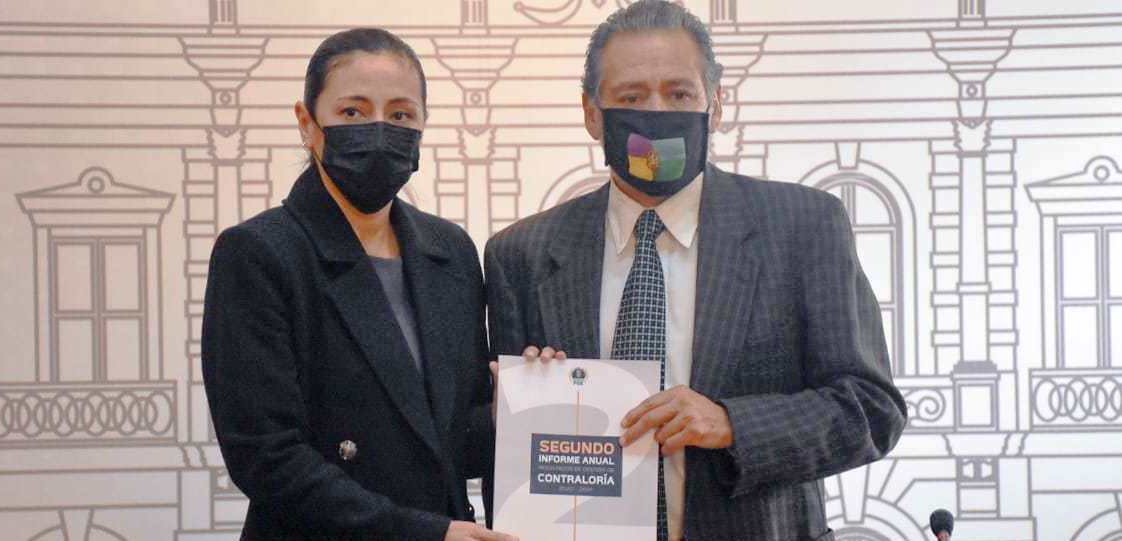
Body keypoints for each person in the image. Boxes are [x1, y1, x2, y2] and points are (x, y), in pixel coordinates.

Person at [483, 2, 908, 540]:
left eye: (679, 94)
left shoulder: (804, 226)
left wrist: (731, 423)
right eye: (631, 97)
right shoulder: (521, 253)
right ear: (592, 113)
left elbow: (871, 410)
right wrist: (523, 405)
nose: (656, 112)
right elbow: (508, 451)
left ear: (716, 104)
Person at [202, 28, 515, 541]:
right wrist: (422, 534)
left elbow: (453, 443)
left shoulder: (451, 252)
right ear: (307, 123)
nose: (379, 130)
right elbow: (265, 457)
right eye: (352, 111)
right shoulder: (258, 254)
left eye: (401, 115)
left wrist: (521, 405)